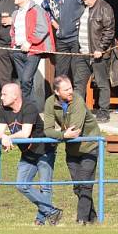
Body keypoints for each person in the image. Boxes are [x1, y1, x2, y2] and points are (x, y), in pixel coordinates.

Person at [0, 83, 63, 226]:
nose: (1, 97)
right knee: (21, 185)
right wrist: (5, 137)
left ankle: (40, 220)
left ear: (15, 96)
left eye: (4, 94)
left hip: (45, 151)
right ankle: (52, 212)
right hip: (27, 153)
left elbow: (25, 133)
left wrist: (8, 138)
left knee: (45, 187)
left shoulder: (29, 107)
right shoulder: (4, 109)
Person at [43, 76, 101, 224]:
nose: (70, 91)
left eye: (71, 88)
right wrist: (63, 134)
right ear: (57, 92)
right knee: (78, 187)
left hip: (89, 145)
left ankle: (81, 220)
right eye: (66, 89)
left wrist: (62, 135)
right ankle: (92, 217)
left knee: (85, 184)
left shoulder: (78, 101)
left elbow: (75, 131)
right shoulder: (50, 102)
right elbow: (47, 130)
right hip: (72, 150)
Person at [75, 0, 115, 123]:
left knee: (102, 83)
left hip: (98, 54)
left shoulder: (105, 8)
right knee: (79, 84)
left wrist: (101, 48)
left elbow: (109, 31)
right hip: (83, 53)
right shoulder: (84, 8)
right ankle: (78, 113)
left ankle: (103, 112)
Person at [9, 0, 55, 101]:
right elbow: (13, 31)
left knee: (26, 80)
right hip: (17, 51)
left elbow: (43, 28)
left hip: (33, 51)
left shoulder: (37, 10)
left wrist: (29, 42)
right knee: (24, 82)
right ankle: (29, 109)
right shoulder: (15, 13)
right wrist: (13, 43)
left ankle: (27, 108)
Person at [42, 0, 83, 81]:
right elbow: (44, 10)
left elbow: (88, 5)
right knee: (60, 73)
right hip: (61, 38)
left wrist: (82, 23)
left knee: (77, 72)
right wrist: (52, 21)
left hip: (76, 37)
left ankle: (78, 98)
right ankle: (60, 98)